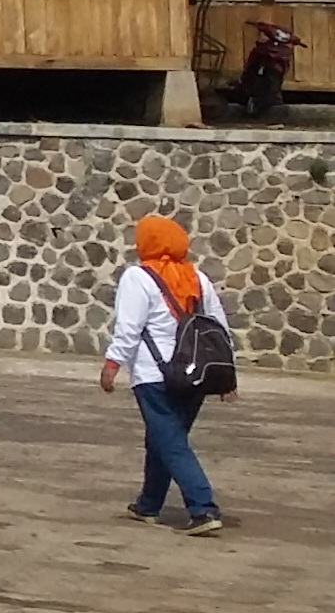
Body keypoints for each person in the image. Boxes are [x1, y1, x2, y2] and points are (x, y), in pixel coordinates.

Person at [101, 214, 234, 535]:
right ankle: (148, 504)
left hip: (153, 375)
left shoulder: (138, 276)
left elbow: (129, 328)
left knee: (171, 442)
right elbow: (219, 328)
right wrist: (228, 377)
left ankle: (203, 508)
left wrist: (112, 364)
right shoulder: (197, 278)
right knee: (162, 439)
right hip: (194, 375)